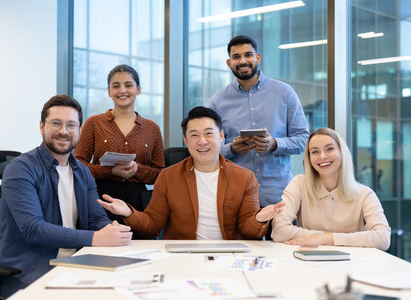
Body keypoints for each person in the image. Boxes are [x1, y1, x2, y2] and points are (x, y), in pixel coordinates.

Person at [0, 95, 132, 298]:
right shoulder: (21, 169)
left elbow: (96, 218)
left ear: (79, 130)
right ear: (41, 126)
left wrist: (111, 230)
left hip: (78, 266)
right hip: (32, 274)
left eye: (71, 125)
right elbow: (33, 229)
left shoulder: (82, 171)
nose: (63, 131)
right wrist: (96, 238)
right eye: (56, 123)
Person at [98, 106, 285, 240]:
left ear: (221, 136)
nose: (202, 141)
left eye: (209, 134)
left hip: (228, 256)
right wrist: (128, 212)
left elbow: (248, 231)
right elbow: (152, 225)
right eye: (194, 135)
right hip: (182, 256)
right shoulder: (168, 176)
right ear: (186, 141)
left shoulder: (245, 178)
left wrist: (260, 219)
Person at [209, 35, 309, 207]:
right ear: (228, 63)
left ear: (258, 58)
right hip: (237, 196)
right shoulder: (217, 102)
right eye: (236, 57)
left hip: (280, 195)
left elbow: (303, 139)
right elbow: (209, 151)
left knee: (282, 235)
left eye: (248, 55)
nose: (243, 61)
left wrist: (275, 143)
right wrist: (231, 148)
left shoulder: (285, 93)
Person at [74, 65, 165, 228]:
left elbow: (159, 173)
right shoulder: (94, 123)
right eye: (116, 86)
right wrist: (110, 171)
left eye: (128, 85)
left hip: (138, 201)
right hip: (100, 198)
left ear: (138, 89)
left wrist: (137, 169)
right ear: (109, 91)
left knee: (139, 250)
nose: (122, 90)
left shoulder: (152, 128)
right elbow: (78, 166)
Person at [271, 128, 391, 250]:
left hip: (351, 264)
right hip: (309, 261)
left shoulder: (365, 194)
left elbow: (383, 238)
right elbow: (279, 231)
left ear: (342, 152)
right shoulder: (299, 184)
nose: (322, 156)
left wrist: (325, 239)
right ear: (309, 158)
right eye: (315, 152)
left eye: (330, 149)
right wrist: (332, 237)